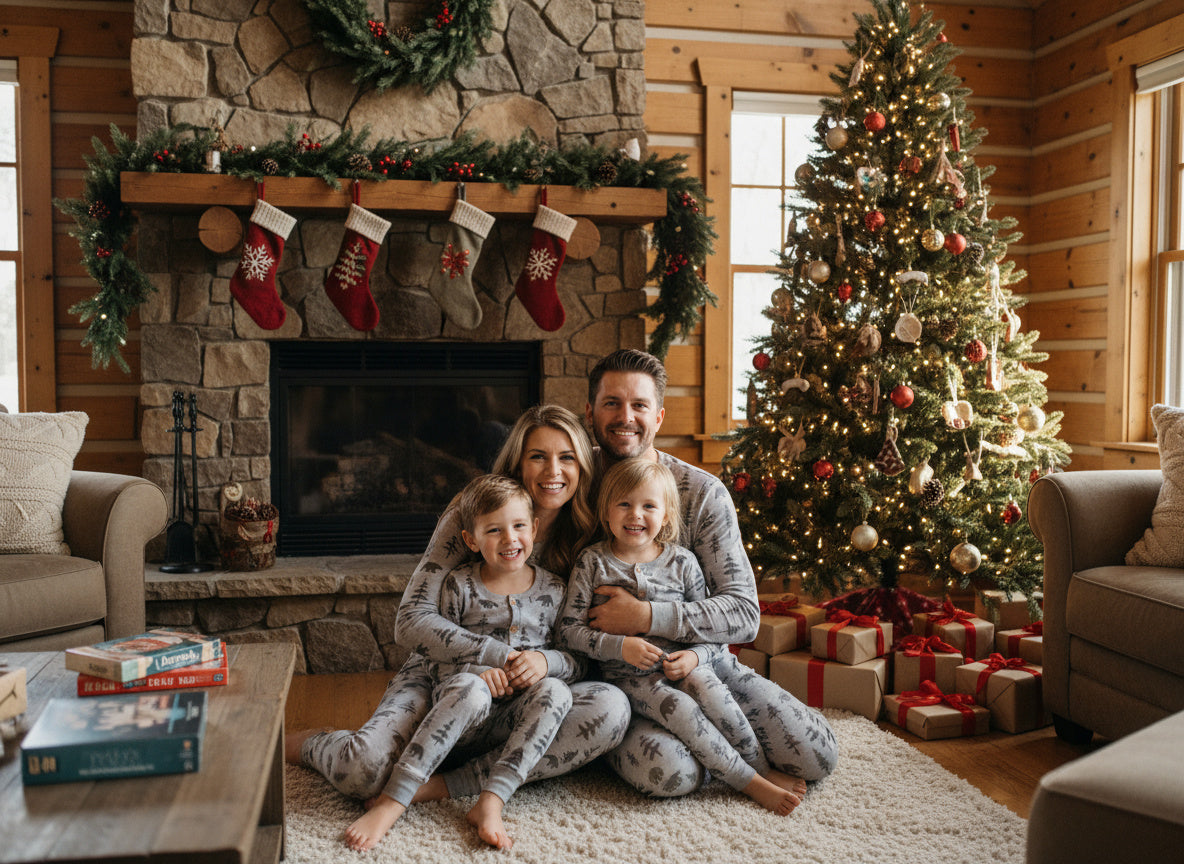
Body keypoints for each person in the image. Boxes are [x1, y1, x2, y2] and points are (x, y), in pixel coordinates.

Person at [289, 405, 630, 809]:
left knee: (610, 709)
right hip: (442, 679)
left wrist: (542, 661)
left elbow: (580, 647)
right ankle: (308, 744)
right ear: (518, 463)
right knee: (361, 771)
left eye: (567, 457)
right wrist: (496, 656)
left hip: (527, 693)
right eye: (538, 456)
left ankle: (445, 784)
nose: (552, 471)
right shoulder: (473, 511)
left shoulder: (593, 528)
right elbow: (411, 622)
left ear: (583, 465)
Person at [584, 348, 839, 796]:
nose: (626, 417)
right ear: (590, 412)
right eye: (612, 403)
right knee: (673, 775)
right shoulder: (569, 482)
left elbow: (743, 613)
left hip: (705, 664)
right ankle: (635, 745)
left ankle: (725, 751)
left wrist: (647, 617)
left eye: (639, 405)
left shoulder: (701, 492)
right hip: (620, 681)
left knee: (816, 756)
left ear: (659, 416)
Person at [344, 475, 579, 852]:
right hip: (460, 710)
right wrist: (477, 673)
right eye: (494, 530)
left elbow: (576, 659)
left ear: (534, 529)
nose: (510, 539)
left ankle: (493, 799)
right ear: (471, 540)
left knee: (555, 690)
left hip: (516, 717)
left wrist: (544, 660)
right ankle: (393, 800)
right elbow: (435, 660)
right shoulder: (458, 587)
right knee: (470, 689)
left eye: (519, 526)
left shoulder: (555, 589)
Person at [561, 457, 804, 815]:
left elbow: (710, 631)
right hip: (632, 680)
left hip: (686, 667)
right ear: (606, 513)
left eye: (648, 506)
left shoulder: (683, 563)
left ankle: (758, 765)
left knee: (711, 691)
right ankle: (750, 783)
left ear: (667, 517)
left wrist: (695, 657)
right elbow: (568, 632)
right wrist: (620, 647)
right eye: (624, 504)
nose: (635, 515)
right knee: (683, 710)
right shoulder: (592, 563)